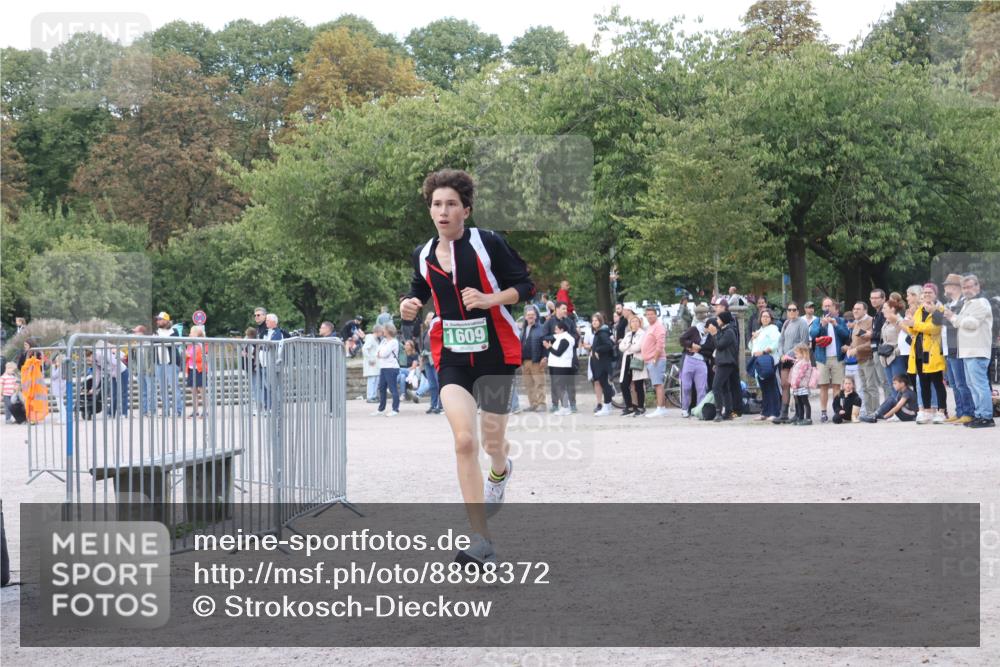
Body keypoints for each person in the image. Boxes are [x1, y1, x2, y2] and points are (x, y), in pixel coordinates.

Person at [399, 168, 535, 567]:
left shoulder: (489, 243)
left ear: (466, 210)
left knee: (492, 442)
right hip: (452, 355)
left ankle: (500, 468)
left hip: (495, 353)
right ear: (430, 211)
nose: (443, 211)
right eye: (437, 204)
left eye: (451, 204)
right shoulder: (423, 254)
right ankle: (481, 539)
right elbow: (419, 290)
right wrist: (409, 304)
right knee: (463, 441)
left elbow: (525, 286)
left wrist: (492, 300)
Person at [944, 274, 996, 428]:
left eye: (970, 287)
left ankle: (986, 417)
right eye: (964, 287)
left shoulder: (981, 302)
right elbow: (959, 323)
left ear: (978, 287)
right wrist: (953, 318)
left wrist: (953, 317)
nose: (967, 290)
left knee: (980, 385)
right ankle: (979, 414)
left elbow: (972, 323)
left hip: (977, 350)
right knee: (972, 385)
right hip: (967, 351)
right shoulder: (968, 303)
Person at [902, 283, 948, 424]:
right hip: (919, 351)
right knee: (923, 383)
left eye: (930, 292)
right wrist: (907, 324)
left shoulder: (939, 310)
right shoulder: (919, 310)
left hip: (933, 352)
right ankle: (926, 411)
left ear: (935, 294)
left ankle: (941, 411)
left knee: (937, 383)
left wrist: (914, 325)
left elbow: (934, 329)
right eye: (925, 292)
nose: (927, 295)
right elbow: (913, 330)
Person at [809, 297, 850, 423]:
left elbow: (846, 335)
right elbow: (813, 334)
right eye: (825, 306)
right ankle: (823, 412)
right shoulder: (817, 321)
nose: (827, 308)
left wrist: (835, 325)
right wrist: (823, 325)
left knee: (837, 385)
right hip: (822, 358)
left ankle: (837, 410)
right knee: (823, 386)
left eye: (829, 305)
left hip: (837, 358)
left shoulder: (840, 320)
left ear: (833, 307)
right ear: (822, 307)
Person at [941, 273, 974, 424]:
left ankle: (968, 411)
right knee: (953, 383)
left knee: (961, 383)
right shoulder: (950, 303)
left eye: (947, 285)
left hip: (958, 347)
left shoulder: (963, 303)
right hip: (949, 347)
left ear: (954, 287)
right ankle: (960, 410)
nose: (945, 288)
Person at [774, 302, 809, 424]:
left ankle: (799, 414)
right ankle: (783, 413)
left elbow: (804, 342)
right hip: (784, 358)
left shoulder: (802, 323)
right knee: (784, 384)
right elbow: (780, 340)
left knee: (796, 386)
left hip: (796, 359)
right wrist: (781, 354)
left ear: (798, 311)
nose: (792, 312)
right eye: (789, 310)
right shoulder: (786, 323)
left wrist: (788, 354)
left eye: (794, 310)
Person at [543, 301, 578, 413]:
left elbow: (575, 335)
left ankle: (572, 404)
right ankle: (555, 404)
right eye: (563, 309)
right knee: (555, 382)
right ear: (557, 309)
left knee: (570, 382)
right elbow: (543, 337)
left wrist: (564, 338)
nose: (565, 311)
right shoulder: (549, 322)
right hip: (554, 358)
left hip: (568, 357)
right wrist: (556, 337)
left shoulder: (569, 321)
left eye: (565, 309)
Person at [847, 301, 879, 418]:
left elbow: (872, 341)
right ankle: (868, 412)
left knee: (871, 387)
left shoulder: (870, 321)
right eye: (854, 308)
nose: (855, 311)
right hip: (859, 360)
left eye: (858, 309)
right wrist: (849, 348)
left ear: (865, 310)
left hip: (868, 358)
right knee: (864, 387)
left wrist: (857, 349)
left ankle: (876, 411)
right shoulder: (857, 323)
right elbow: (854, 341)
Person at [678, 305, 710, 418]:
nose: (702, 316)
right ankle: (685, 408)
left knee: (701, 388)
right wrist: (691, 345)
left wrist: (700, 349)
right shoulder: (694, 329)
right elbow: (682, 339)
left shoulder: (710, 334)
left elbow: (711, 349)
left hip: (702, 361)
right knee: (686, 386)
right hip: (690, 359)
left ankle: (699, 410)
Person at [749, 308, 781, 421]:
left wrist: (764, 351)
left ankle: (775, 412)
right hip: (758, 361)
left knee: (771, 386)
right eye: (763, 316)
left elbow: (776, 343)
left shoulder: (773, 329)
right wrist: (753, 339)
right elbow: (751, 346)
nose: (765, 318)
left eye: (767, 316)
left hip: (769, 360)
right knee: (763, 387)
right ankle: (765, 412)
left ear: (771, 318)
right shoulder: (759, 330)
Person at [708, 312, 738, 421]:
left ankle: (718, 413)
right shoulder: (724, 330)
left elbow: (720, 345)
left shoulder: (729, 331)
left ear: (724, 319)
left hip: (727, 363)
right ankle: (728, 412)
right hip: (722, 362)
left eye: (718, 319)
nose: (717, 321)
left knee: (716, 387)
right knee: (725, 388)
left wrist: (714, 334)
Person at [154, 312, 184, 417]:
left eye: (160, 319)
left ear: (166, 320)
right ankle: (166, 411)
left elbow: (173, 342)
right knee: (162, 389)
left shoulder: (174, 331)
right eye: (157, 319)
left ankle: (178, 411)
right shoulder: (156, 332)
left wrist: (160, 341)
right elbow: (155, 343)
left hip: (171, 363)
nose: (158, 321)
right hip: (159, 363)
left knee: (174, 387)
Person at [877, 298, 909, 395]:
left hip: (896, 357)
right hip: (886, 357)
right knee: (892, 385)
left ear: (892, 309)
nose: (882, 310)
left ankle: (903, 406)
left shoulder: (899, 321)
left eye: (885, 308)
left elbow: (905, 338)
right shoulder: (886, 322)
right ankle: (896, 407)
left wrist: (896, 352)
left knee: (900, 385)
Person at [618, 314, 648, 417]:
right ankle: (629, 406)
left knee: (638, 384)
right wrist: (628, 346)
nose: (634, 323)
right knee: (624, 383)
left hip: (636, 359)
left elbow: (638, 347)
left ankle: (640, 406)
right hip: (627, 359)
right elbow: (621, 347)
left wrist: (628, 347)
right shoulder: (628, 334)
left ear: (639, 323)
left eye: (636, 321)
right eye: (632, 322)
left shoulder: (642, 334)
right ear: (630, 324)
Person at [642, 306, 669, 418]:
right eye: (647, 314)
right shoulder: (650, 327)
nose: (649, 316)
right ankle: (661, 408)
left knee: (658, 384)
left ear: (656, 314)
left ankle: (660, 408)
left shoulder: (658, 327)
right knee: (656, 384)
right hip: (650, 359)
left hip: (656, 360)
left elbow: (660, 344)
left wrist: (655, 359)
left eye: (651, 314)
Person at [91, 340, 129, 417]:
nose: (88, 361)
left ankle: (124, 413)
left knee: (123, 393)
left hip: (122, 372)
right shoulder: (95, 361)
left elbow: (116, 362)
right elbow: (97, 375)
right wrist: (94, 387)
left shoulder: (103, 354)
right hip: (113, 375)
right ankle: (111, 413)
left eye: (88, 358)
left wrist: (115, 350)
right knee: (113, 393)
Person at [519, 305, 546, 412]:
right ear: (525, 317)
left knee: (539, 383)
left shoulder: (542, 328)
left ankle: (542, 404)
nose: (530, 316)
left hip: (537, 361)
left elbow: (545, 344)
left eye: (532, 315)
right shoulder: (523, 329)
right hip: (524, 361)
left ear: (536, 316)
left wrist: (545, 357)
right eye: (528, 315)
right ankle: (533, 404)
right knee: (528, 384)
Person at [588, 312, 615, 416]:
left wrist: (598, 350)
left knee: (605, 385)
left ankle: (607, 406)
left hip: (603, 363)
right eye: (593, 321)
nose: (594, 322)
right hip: (599, 363)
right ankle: (607, 406)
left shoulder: (602, 333)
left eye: (596, 320)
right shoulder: (599, 332)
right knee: (604, 384)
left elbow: (609, 345)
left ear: (600, 321)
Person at [416, 312, 443, 414]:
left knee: (439, 383)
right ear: (426, 321)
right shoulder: (425, 333)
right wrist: (421, 362)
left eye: (432, 318)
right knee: (432, 385)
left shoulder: (439, 331)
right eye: (429, 319)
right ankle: (433, 405)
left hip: (436, 360)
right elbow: (422, 348)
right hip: (427, 360)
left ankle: (441, 406)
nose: (430, 320)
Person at [373, 322, 401, 417]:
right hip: (383, 367)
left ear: (388, 330)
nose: (382, 331)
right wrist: (380, 353)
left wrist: (380, 353)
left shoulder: (394, 341)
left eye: (384, 329)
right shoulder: (384, 341)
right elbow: (377, 352)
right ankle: (381, 409)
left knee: (393, 389)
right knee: (381, 388)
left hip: (391, 368)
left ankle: (395, 409)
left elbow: (383, 353)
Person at [258, 313, 284, 410]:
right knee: (268, 387)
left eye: (268, 320)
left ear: (274, 322)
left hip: (271, 364)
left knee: (273, 388)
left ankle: (277, 409)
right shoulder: (265, 332)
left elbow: (273, 347)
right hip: (264, 364)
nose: (266, 322)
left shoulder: (278, 333)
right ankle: (272, 408)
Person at [869, 289, 891, 398]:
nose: (873, 300)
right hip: (876, 349)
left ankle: (890, 405)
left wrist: (871, 334)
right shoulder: (877, 314)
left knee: (885, 380)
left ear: (884, 299)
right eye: (871, 298)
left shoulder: (884, 313)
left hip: (883, 350)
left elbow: (885, 332)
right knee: (882, 381)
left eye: (876, 298)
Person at [131, 325, 157, 417]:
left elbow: (154, 357)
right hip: (139, 372)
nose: (134, 334)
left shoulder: (149, 344)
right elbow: (133, 359)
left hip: (149, 372)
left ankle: (152, 411)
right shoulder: (136, 345)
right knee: (142, 393)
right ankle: (144, 411)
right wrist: (134, 370)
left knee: (151, 391)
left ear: (142, 333)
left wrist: (151, 368)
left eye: (136, 332)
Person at [788, 343, 815, 425]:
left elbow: (800, 375)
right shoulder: (798, 361)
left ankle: (808, 418)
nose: (795, 355)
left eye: (797, 353)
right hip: (797, 386)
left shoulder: (805, 363)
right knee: (799, 402)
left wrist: (795, 383)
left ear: (803, 353)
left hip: (802, 386)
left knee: (805, 402)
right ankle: (800, 417)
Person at [20, 349, 49, 425]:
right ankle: (32, 418)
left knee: (34, 404)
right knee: (31, 404)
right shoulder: (27, 359)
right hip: (31, 389)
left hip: (35, 389)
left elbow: (44, 366)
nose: (25, 347)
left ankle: (34, 419)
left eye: (26, 345)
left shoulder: (36, 360)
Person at [185, 325, 207, 418]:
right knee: (193, 391)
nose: (189, 334)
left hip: (199, 369)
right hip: (191, 369)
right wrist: (186, 355)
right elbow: (187, 357)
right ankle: (195, 411)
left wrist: (189, 355)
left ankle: (205, 411)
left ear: (197, 334)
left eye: (191, 332)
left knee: (202, 391)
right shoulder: (190, 344)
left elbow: (200, 357)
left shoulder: (202, 344)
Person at [362, 325, 382, 402]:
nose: (382, 333)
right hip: (371, 362)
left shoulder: (376, 339)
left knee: (376, 379)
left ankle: (374, 395)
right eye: (381, 332)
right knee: (372, 379)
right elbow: (364, 349)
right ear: (377, 331)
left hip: (375, 362)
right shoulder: (371, 338)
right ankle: (370, 396)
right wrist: (370, 359)